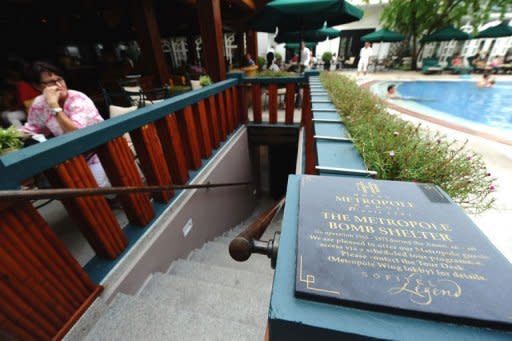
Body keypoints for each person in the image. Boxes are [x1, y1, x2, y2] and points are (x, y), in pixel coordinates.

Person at [20, 61, 111, 187]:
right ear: (38, 86)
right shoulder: (39, 104)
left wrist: (54, 106)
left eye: (60, 79)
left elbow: (76, 133)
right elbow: (31, 129)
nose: (59, 85)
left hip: (101, 153)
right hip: (72, 159)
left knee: (89, 189)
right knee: (62, 187)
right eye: (52, 82)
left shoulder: (77, 98)